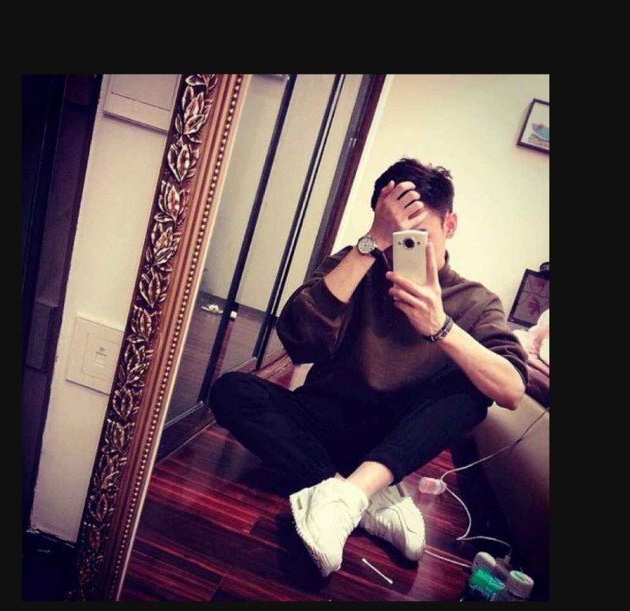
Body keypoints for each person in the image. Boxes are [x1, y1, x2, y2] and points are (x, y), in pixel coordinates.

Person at [209, 158, 528, 577]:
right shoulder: (356, 263)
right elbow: (297, 339)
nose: (403, 248)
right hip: (322, 417)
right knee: (230, 391)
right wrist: (369, 243)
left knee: (472, 391)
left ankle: (352, 490)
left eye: (418, 236)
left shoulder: (475, 301)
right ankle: (357, 495)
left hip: (392, 441)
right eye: (393, 234)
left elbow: (510, 390)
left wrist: (441, 326)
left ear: (450, 225)